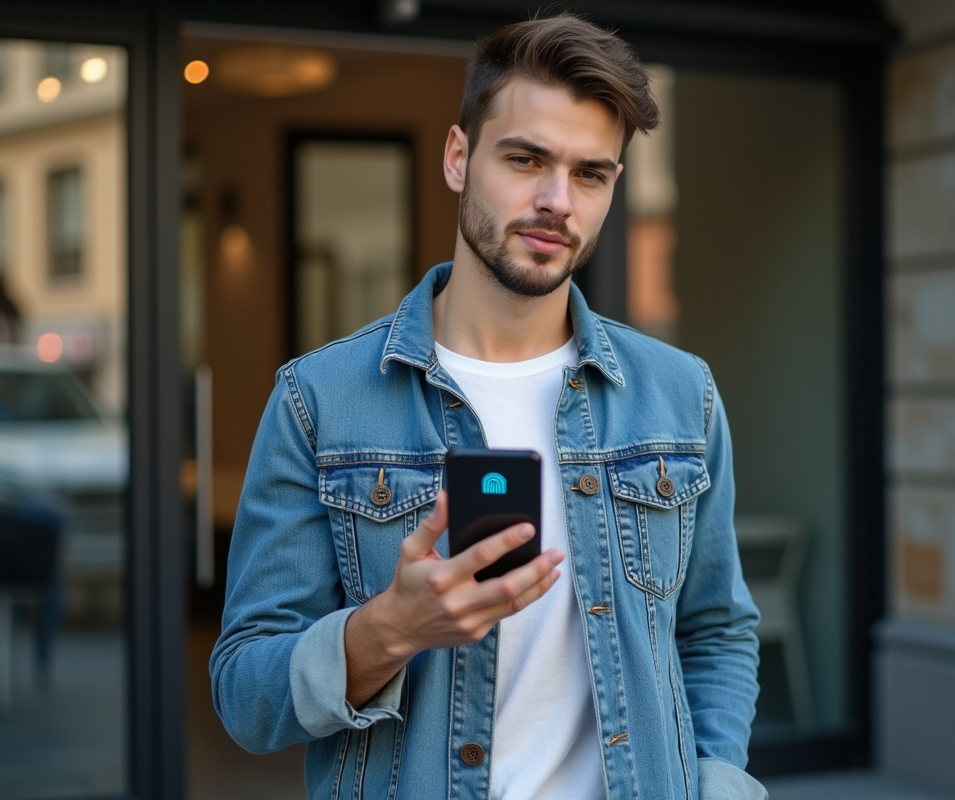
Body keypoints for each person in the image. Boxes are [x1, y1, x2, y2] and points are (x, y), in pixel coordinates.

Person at [211, 12, 764, 800]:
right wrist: (385, 632)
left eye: (590, 173)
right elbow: (244, 696)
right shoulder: (318, 402)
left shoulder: (680, 396)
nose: (556, 201)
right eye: (526, 158)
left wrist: (717, 780)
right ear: (459, 157)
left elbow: (715, 631)